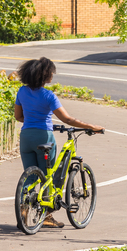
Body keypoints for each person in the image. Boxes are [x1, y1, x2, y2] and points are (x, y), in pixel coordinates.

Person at [13, 58, 102, 229]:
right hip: (44, 136)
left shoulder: (22, 92)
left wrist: (33, 120)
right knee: (49, 176)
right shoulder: (48, 96)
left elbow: (18, 116)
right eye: (51, 72)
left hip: (26, 136)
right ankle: (47, 216)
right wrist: (91, 126)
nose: (53, 75)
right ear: (44, 75)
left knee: (30, 175)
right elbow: (67, 119)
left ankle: (23, 208)